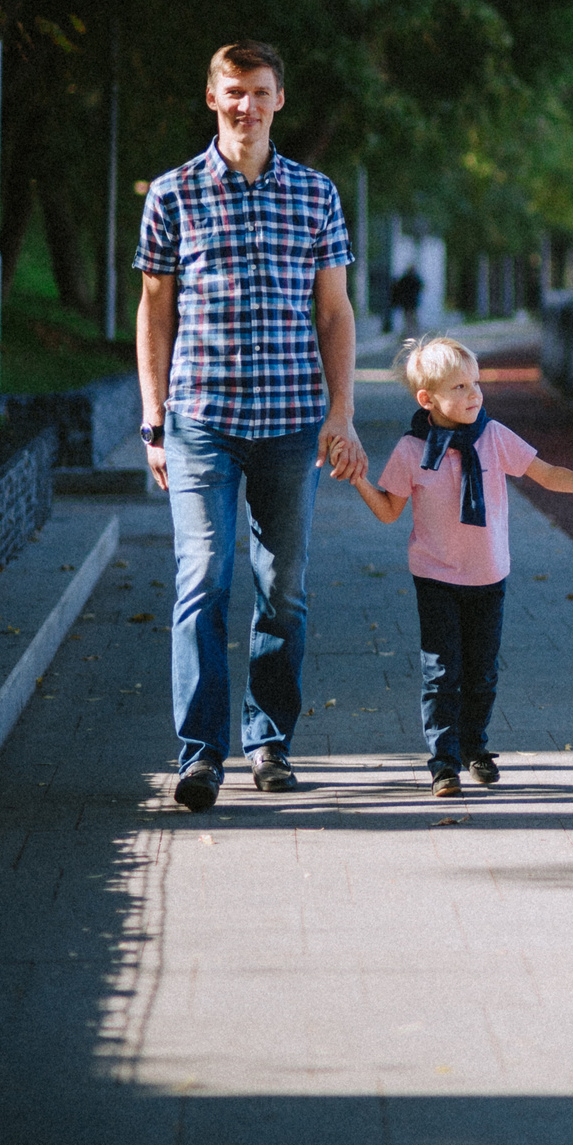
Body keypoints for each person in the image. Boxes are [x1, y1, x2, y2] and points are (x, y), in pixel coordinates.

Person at [135, 41, 367, 812]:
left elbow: (333, 311)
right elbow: (155, 310)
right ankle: (200, 755)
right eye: (233, 91)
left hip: (291, 424)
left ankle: (268, 741)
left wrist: (344, 413)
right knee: (202, 581)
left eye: (260, 91)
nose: (246, 104)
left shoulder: (315, 194)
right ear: (212, 98)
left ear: (278, 99)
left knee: (284, 591)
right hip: (201, 421)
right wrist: (152, 418)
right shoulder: (171, 194)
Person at [349, 334, 573, 795]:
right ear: (428, 399)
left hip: (488, 576)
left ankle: (474, 747)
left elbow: (544, 473)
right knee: (442, 672)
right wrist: (359, 478)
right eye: (459, 387)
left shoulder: (494, 437)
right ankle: (443, 761)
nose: (474, 395)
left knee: (482, 671)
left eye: (475, 384)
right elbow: (388, 510)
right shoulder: (411, 449)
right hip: (435, 577)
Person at [386, 262, 424, 336]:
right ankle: (415, 332)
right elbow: (421, 287)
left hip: (406, 302)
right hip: (413, 302)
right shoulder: (415, 278)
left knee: (407, 318)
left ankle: (408, 332)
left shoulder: (404, 278)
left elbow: (398, 288)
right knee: (413, 317)